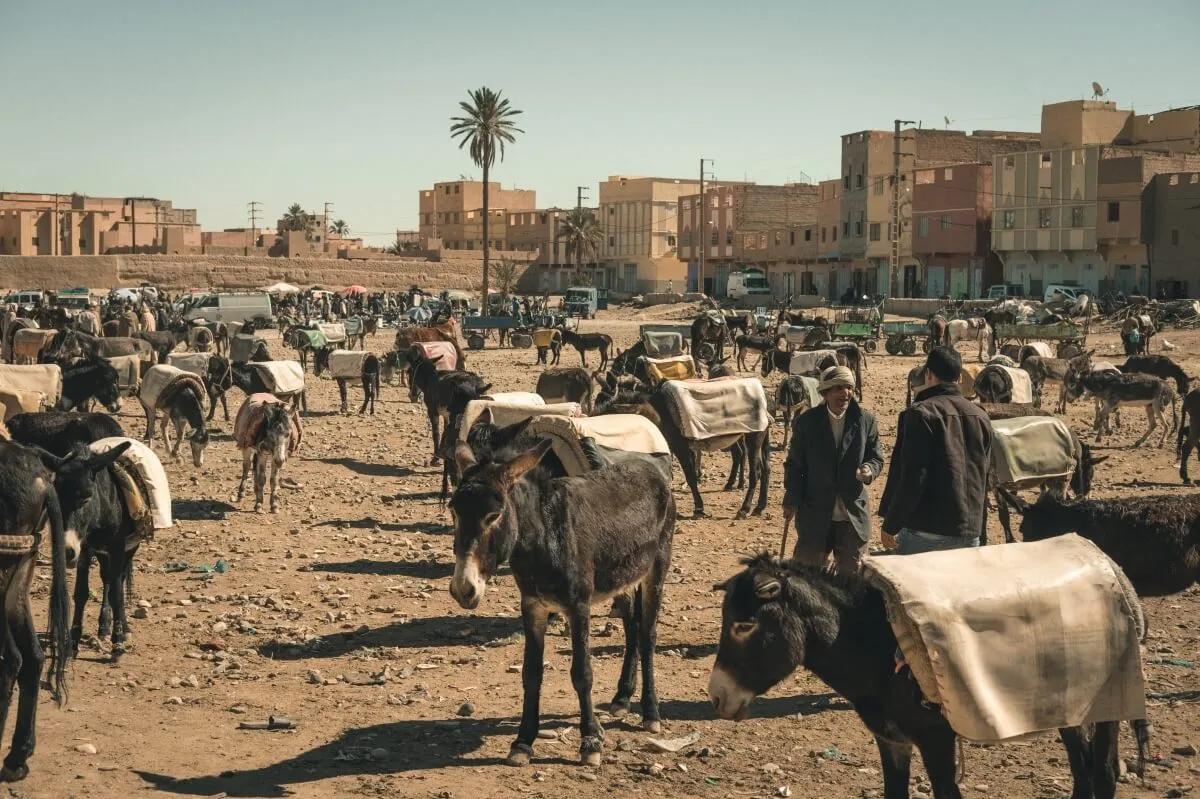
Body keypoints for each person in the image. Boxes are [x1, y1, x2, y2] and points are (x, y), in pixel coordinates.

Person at [879, 346, 992, 553]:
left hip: (926, 531)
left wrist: (891, 524)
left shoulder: (921, 413)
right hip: (970, 532)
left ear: (928, 374)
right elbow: (984, 476)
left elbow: (914, 477)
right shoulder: (981, 415)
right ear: (959, 378)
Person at [782, 365, 884, 575]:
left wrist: (869, 469)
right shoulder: (806, 422)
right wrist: (791, 500)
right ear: (825, 392)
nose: (845, 393)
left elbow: (875, 457)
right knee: (805, 576)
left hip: (851, 516)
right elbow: (795, 466)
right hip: (815, 514)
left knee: (852, 578)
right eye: (838, 388)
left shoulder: (865, 420)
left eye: (849, 387)